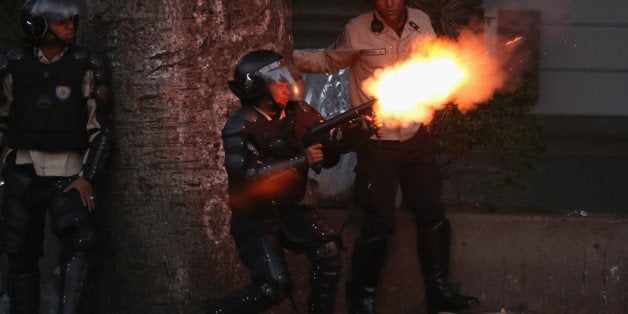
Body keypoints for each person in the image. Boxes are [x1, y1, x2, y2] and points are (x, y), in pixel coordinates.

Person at [292, 0, 480, 313]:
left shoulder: (421, 23)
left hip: (414, 137)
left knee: (432, 212)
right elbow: (327, 60)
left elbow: (435, 66)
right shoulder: (357, 29)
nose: (389, 3)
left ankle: (438, 292)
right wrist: (288, 59)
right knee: (379, 221)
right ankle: (362, 298)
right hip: (376, 142)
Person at [194, 49, 377, 314]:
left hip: (289, 209)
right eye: (277, 81)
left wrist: (357, 133)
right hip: (255, 219)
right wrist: (300, 160)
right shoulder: (240, 126)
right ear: (257, 87)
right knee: (273, 287)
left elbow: (328, 153)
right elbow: (246, 177)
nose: (285, 86)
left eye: (285, 79)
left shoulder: (299, 112)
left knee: (328, 249)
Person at [0, 0, 113, 313]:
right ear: (39, 25)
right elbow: (2, 119)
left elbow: (100, 128)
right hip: (23, 171)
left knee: (82, 244)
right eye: (61, 21)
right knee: (19, 252)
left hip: (69, 173)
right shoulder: (13, 64)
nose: (70, 27)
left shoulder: (85, 65)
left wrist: (87, 177)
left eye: (72, 21)